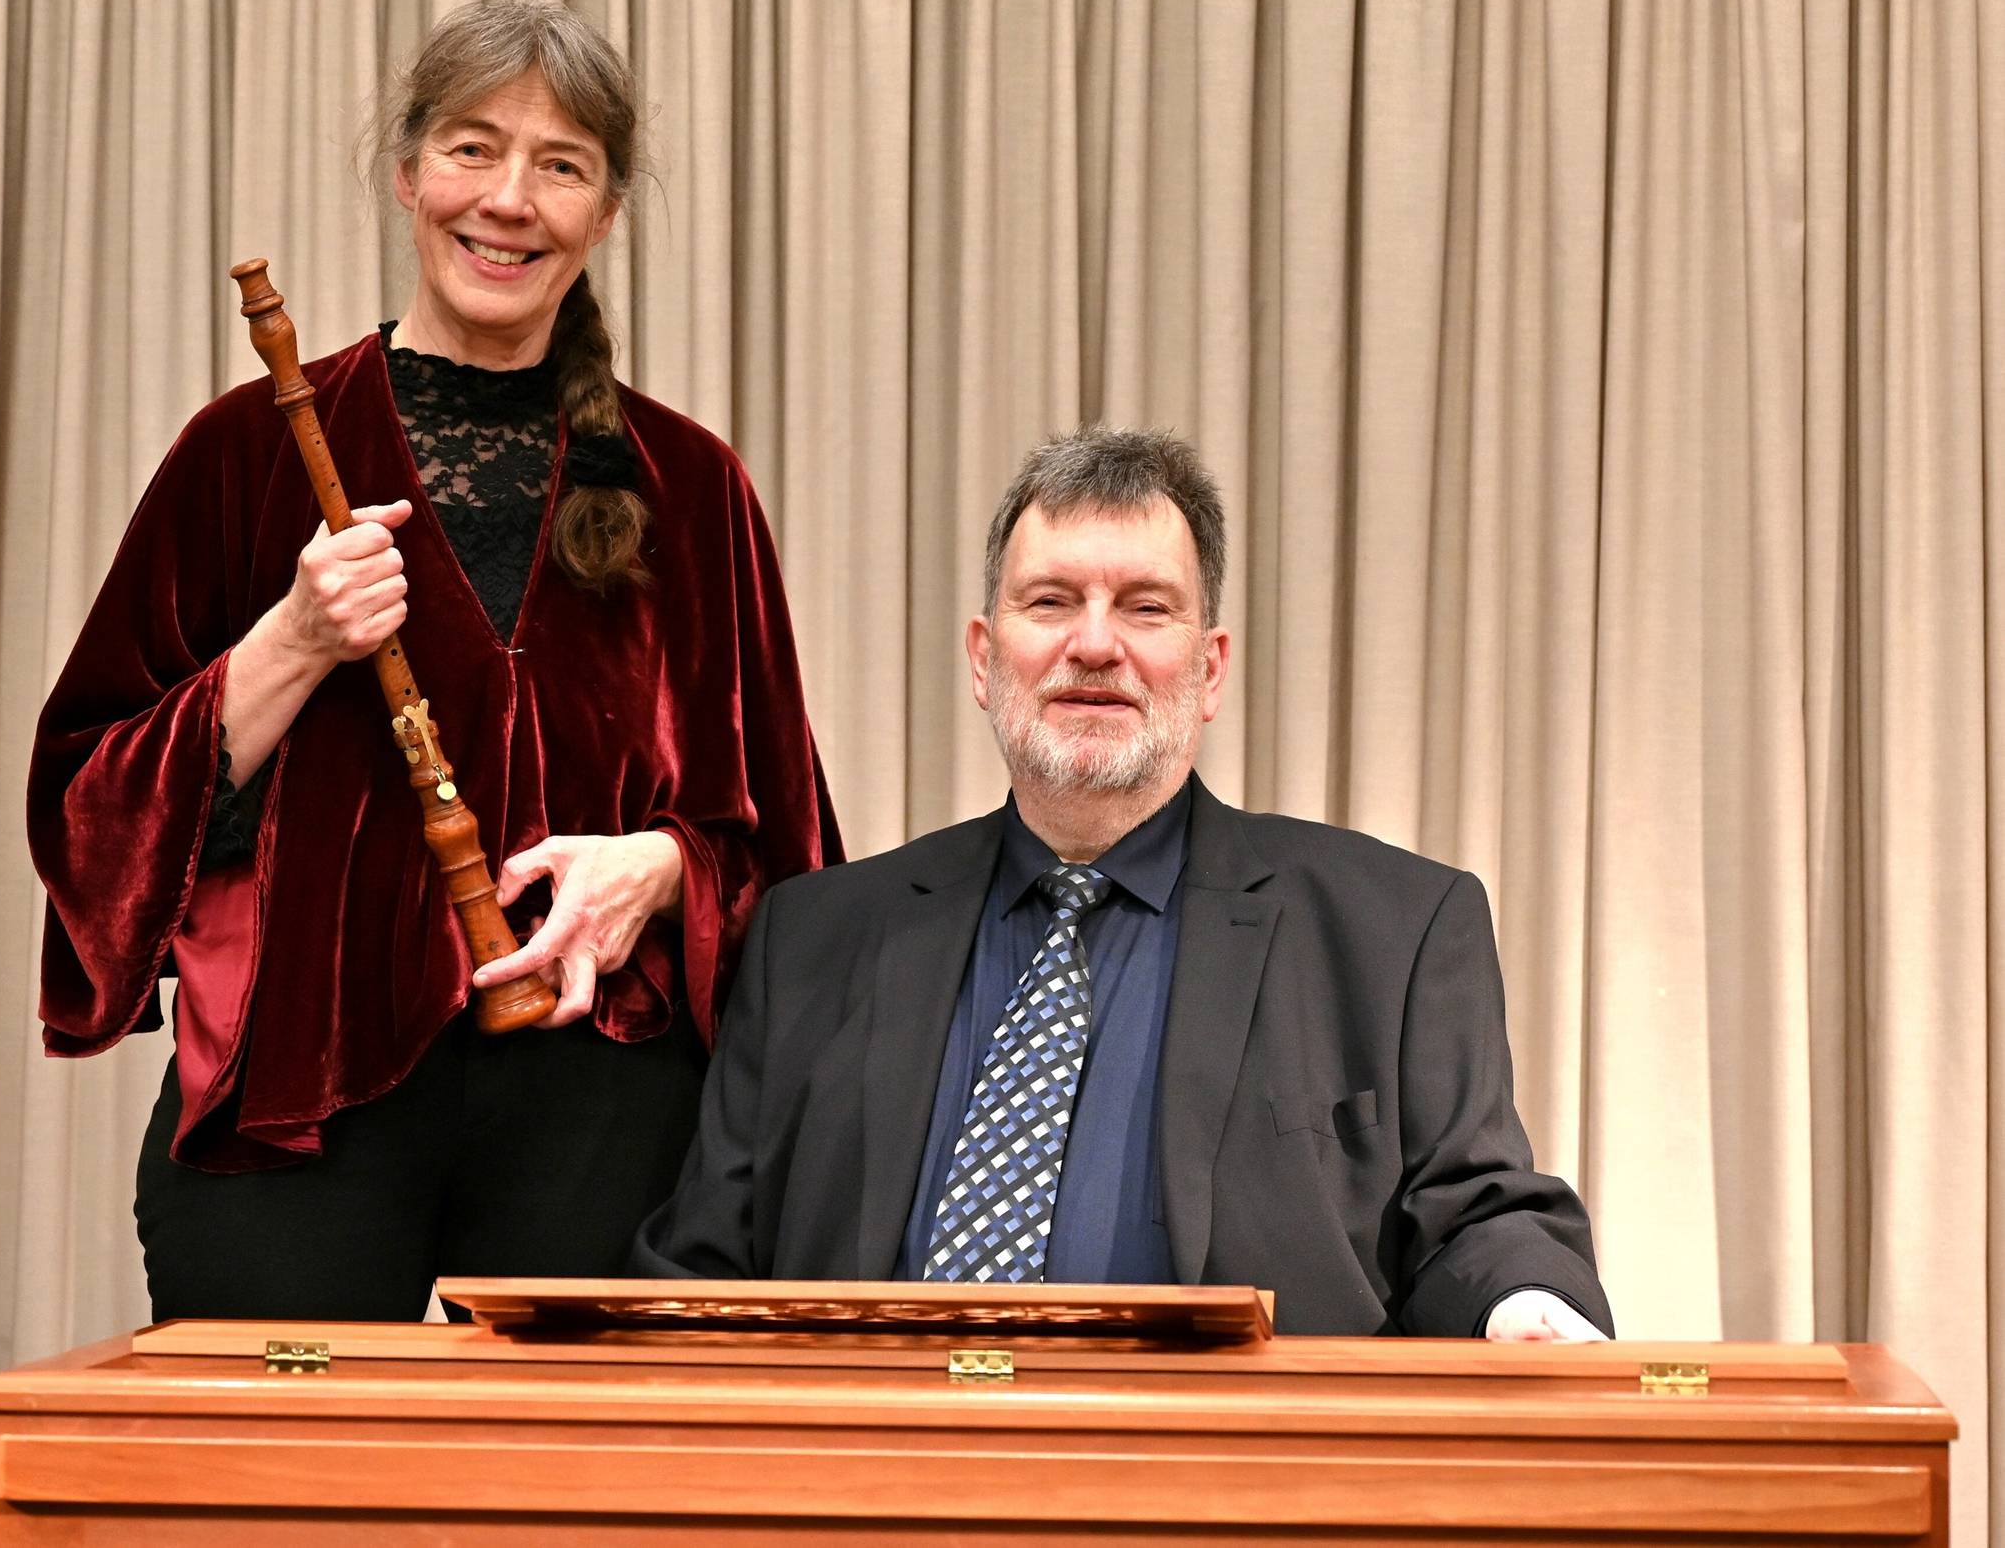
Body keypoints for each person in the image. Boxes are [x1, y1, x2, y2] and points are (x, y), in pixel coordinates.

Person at [28, 0, 838, 1323]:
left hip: (606, 1109)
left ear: (606, 214)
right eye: (473, 149)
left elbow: (792, 868)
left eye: (561, 165)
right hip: (302, 1089)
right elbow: (91, 805)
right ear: (408, 177)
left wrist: (664, 867)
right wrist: (289, 644)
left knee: (565, 1523)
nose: (510, 200)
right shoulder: (245, 457)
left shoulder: (693, 490)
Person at [633, 427, 1609, 1340]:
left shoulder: (1393, 929)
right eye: (1051, 601)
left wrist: (1526, 1305)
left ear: (1211, 669)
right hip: (877, 1497)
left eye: (1146, 607)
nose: (1095, 644)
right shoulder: (814, 936)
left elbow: (1477, 1215)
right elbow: (703, 1263)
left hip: (1229, 1505)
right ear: (984, 658)